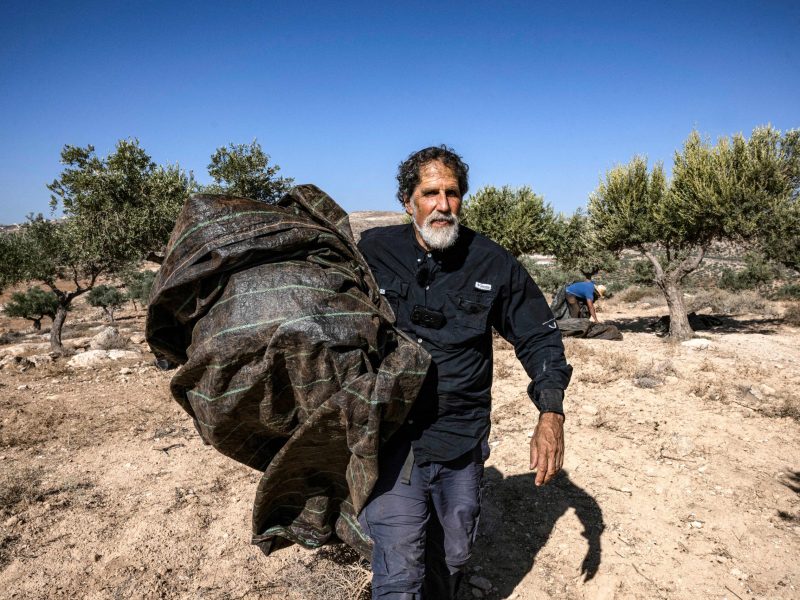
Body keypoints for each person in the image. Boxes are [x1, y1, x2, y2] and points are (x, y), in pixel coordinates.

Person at [357, 145, 573, 599]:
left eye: (452, 193)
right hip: (393, 440)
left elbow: (538, 335)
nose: (442, 205)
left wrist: (550, 413)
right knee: (400, 569)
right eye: (430, 192)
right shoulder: (372, 252)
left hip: (461, 438)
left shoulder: (492, 262)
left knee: (452, 556)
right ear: (407, 201)